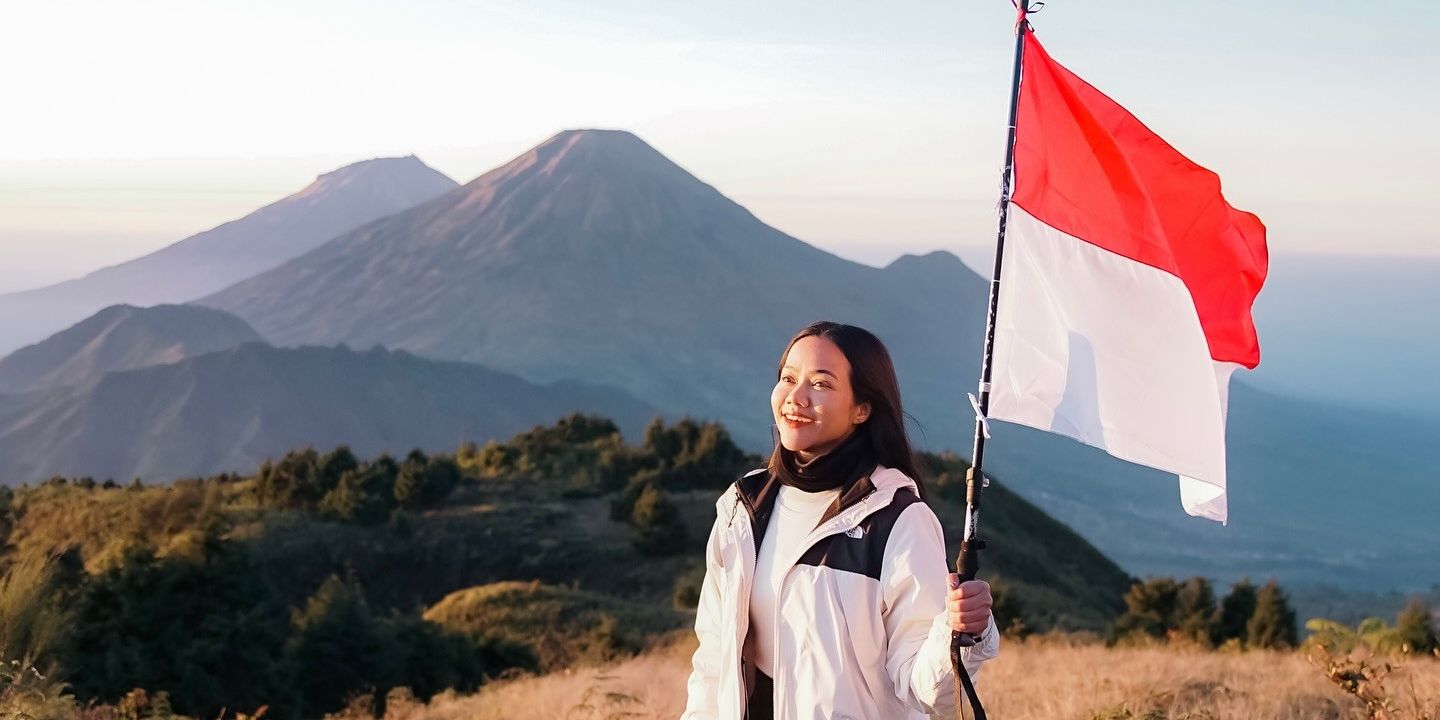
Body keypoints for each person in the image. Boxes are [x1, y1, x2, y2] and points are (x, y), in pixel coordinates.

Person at [682, 321, 1000, 720]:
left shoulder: (898, 519)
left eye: (821, 384)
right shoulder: (741, 507)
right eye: (788, 378)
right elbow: (712, 660)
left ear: (862, 409)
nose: (796, 397)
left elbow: (929, 694)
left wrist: (959, 632)